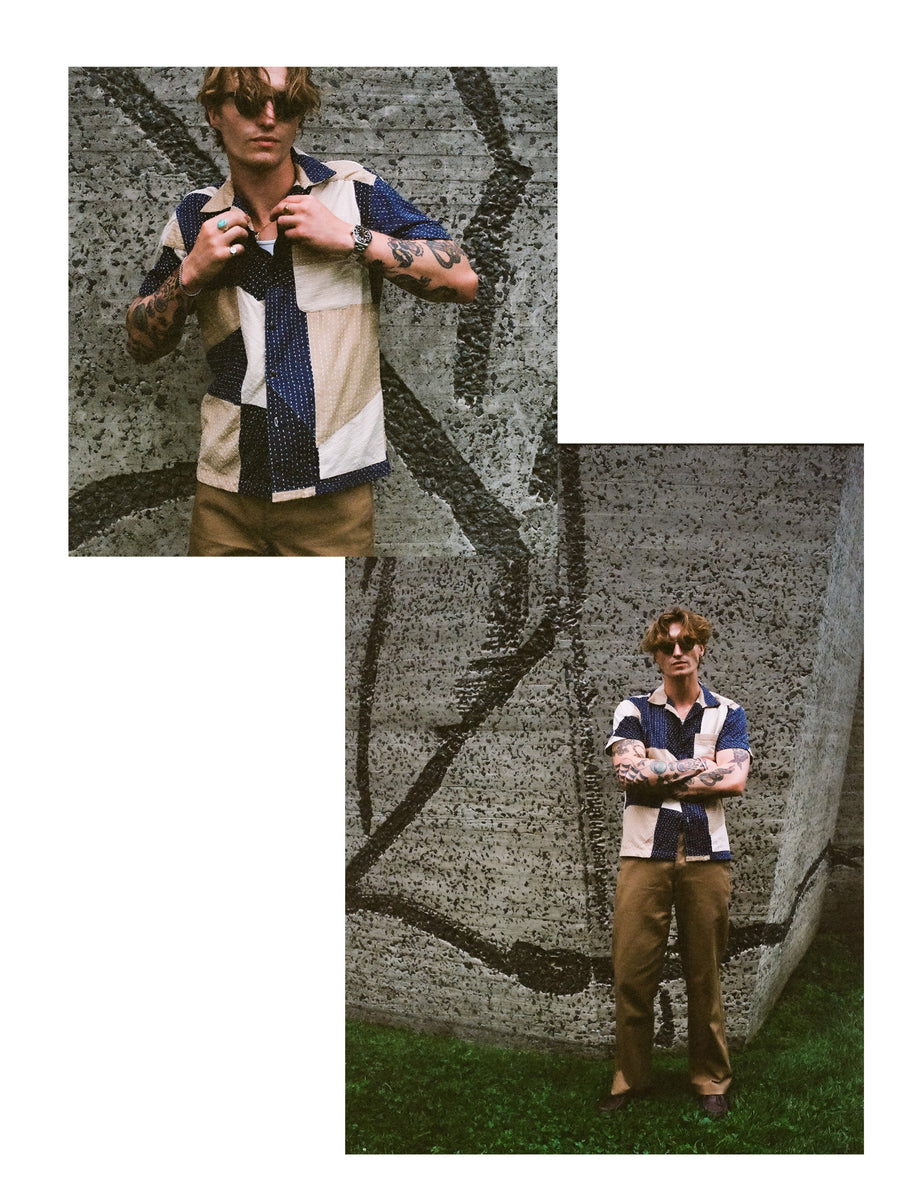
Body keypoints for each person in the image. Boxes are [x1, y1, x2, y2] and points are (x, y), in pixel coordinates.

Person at [125, 67, 478, 556]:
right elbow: (141, 344)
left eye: (285, 103)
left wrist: (351, 238)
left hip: (333, 490)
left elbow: (462, 280)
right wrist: (189, 275)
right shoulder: (195, 217)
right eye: (248, 102)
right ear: (214, 112)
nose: (268, 118)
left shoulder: (352, 192)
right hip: (227, 491)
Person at [599, 606, 751, 1118]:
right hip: (644, 855)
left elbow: (735, 781)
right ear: (656, 654)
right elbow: (627, 772)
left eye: (686, 643)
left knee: (705, 973)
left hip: (708, 857)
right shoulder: (634, 709)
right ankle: (630, 1079)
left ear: (701, 647)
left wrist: (660, 768)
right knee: (633, 974)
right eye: (667, 646)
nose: (678, 652)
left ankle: (711, 1078)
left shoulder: (728, 712)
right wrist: (701, 767)